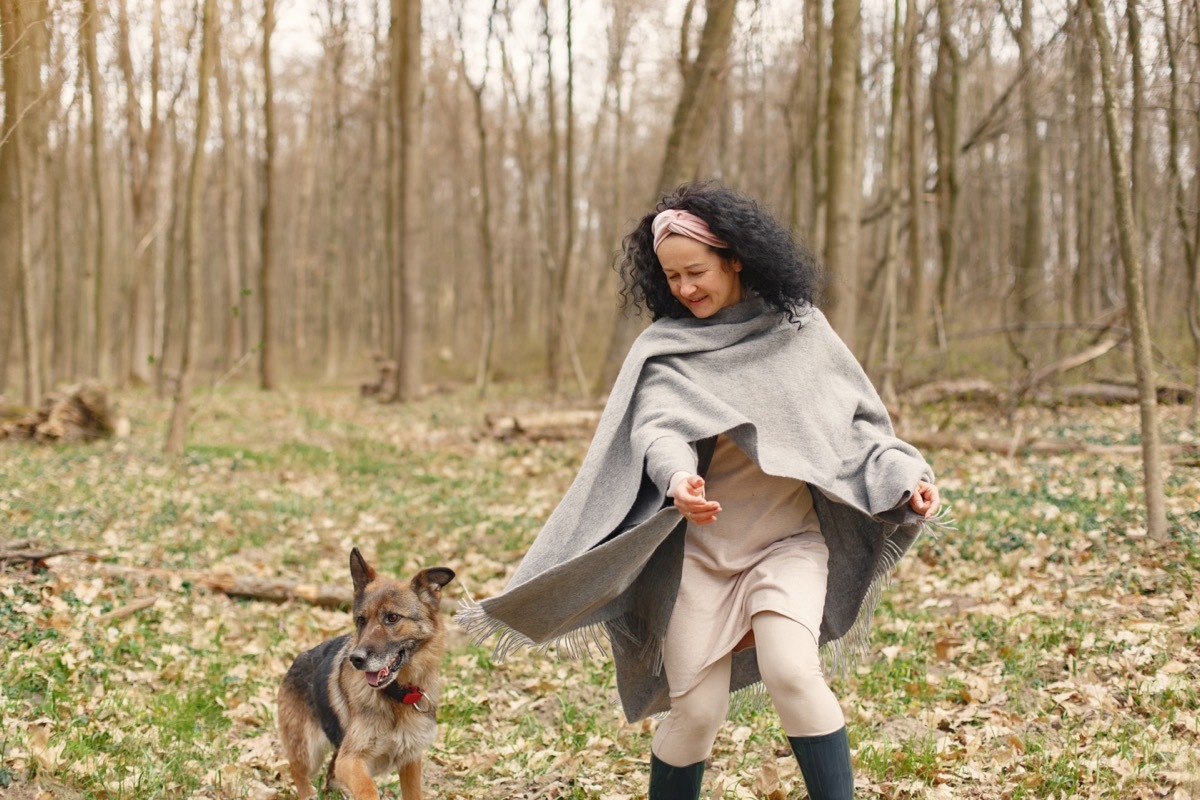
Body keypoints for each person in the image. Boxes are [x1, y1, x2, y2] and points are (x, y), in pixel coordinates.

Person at [458, 182, 941, 800]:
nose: (685, 288)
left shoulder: (802, 331)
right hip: (701, 560)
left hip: (789, 543)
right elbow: (659, 431)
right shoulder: (669, 347)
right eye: (672, 276)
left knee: (793, 672)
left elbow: (863, 431)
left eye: (697, 271)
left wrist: (908, 481)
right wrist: (676, 478)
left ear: (734, 258)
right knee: (696, 712)